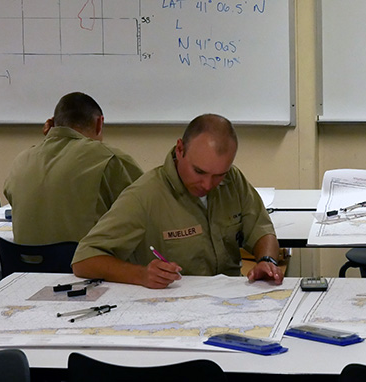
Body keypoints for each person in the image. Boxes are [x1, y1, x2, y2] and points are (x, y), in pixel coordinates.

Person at [72, 113, 283, 289]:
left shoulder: (232, 180)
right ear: (180, 149)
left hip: (228, 301)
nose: (208, 184)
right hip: (172, 308)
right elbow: (84, 259)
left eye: (219, 175)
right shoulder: (145, 195)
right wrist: (141, 275)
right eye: (199, 171)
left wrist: (267, 261)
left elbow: (261, 229)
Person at [4, 92, 143, 245]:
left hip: (25, 266)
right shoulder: (109, 159)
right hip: (84, 266)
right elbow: (148, 207)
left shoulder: (22, 160)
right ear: (99, 123)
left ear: (52, 123)